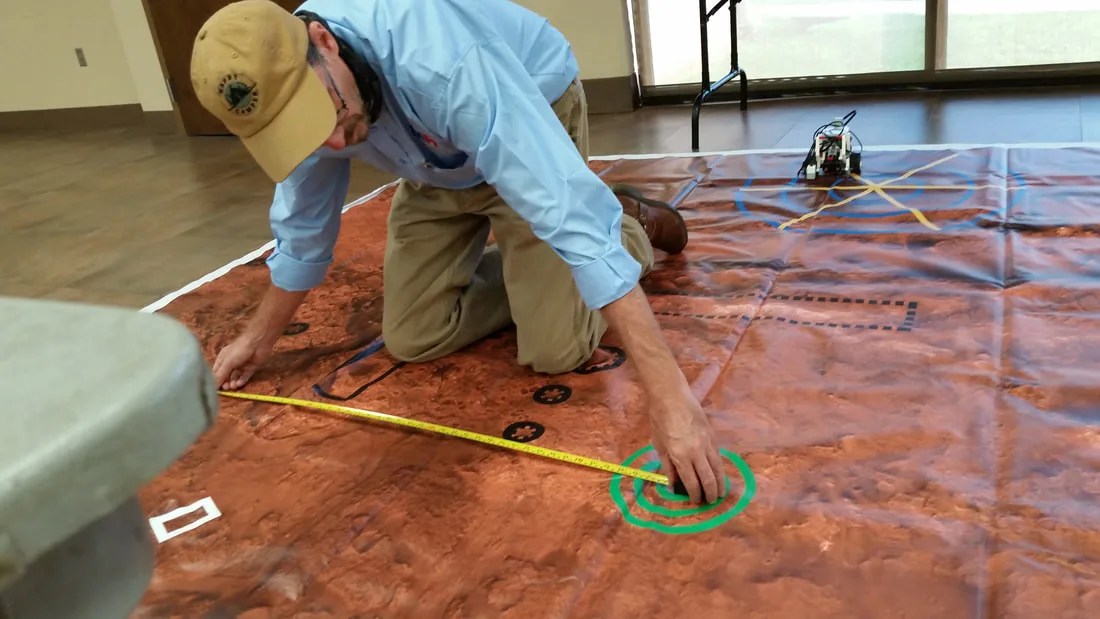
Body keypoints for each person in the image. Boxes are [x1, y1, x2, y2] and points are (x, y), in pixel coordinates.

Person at [189, 0, 727, 504]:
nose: (332, 143)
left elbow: (568, 217)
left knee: (556, 348)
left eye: (319, 112)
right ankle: (538, 271)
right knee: (413, 336)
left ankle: (626, 224)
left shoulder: (443, 63)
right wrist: (257, 340)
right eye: (299, 130)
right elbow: (304, 227)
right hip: (428, 157)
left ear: (323, 41)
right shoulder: (312, 96)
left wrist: (671, 398)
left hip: (526, 111)